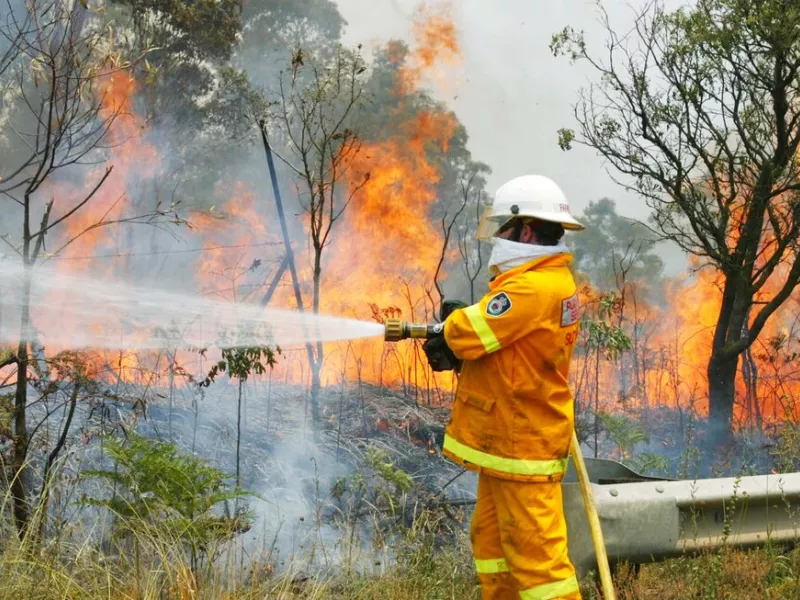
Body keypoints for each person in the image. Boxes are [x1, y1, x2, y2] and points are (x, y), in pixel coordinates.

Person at [423, 174, 585, 600]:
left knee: (540, 562)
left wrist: (453, 326)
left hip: (521, 441)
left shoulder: (532, 286)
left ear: (525, 229)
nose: (497, 237)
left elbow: (472, 334)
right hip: (509, 440)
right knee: (492, 541)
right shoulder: (549, 280)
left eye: (503, 227)